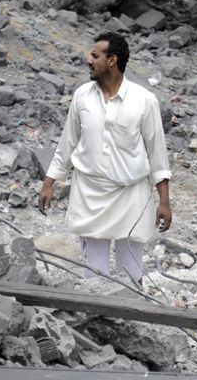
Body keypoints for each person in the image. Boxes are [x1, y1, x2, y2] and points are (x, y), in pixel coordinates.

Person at [37, 32, 171, 282]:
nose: (89, 60)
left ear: (112, 60)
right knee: (94, 275)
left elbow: (157, 154)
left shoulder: (144, 101)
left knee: (131, 272)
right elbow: (67, 143)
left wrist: (164, 202)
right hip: (90, 193)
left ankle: (129, 315)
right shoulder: (82, 96)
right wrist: (49, 183)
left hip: (130, 194)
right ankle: (98, 319)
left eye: (95, 56)